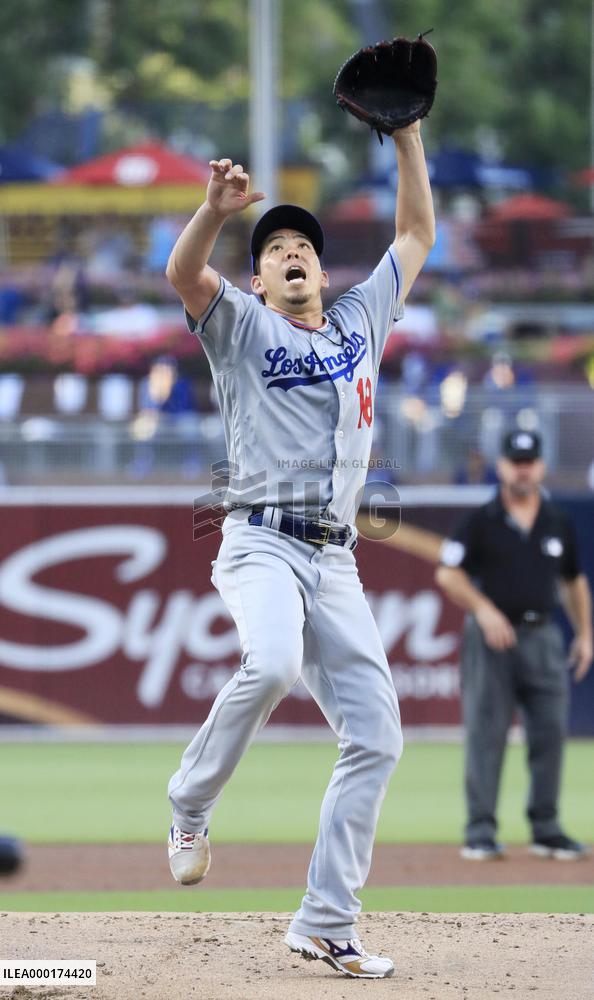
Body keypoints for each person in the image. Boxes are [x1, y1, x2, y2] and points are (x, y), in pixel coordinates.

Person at [165, 120, 434, 981]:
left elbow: (418, 234)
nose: (291, 253)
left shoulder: (362, 318)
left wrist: (410, 138)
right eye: (275, 245)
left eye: (303, 247)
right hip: (258, 542)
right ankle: (189, 803)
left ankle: (325, 920)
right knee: (273, 662)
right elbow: (181, 274)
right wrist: (213, 210)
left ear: (324, 270)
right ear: (258, 275)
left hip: (337, 558)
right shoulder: (241, 324)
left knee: (379, 737)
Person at [436, 430, 592, 861]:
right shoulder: (481, 519)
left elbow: (574, 581)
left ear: (540, 466)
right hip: (492, 640)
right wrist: (483, 610)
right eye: (515, 461)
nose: (523, 469)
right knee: (487, 733)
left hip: (542, 635)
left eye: (530, 461)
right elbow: (448, 574)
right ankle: (480, 830)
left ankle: (547, 827)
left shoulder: (557, 520)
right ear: (502, 465)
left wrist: (585, 634)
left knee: (550, 733)